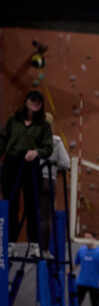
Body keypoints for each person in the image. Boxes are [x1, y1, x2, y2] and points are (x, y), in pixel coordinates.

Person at [0, 90, 53, 252]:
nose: (35, 103)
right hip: (12, 163)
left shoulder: (44, 126)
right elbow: (2, 140)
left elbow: (48, 148)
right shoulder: (13, 120)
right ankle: (10, 243)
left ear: (41, 105)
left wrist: (36, 152)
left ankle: (35, 245)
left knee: (32, 205)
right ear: (26, 101)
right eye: (32, 100)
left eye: (38, 101)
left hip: (31, 165)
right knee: (11, 204)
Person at [38, 113, 71, 258]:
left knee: (34, 216)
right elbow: (66, 163)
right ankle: (44, 250)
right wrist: (54, 167)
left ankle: (35, 247)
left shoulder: (31, 139)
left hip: (35, 180)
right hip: (49, 181)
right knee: (46, 217)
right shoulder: (56, 141)